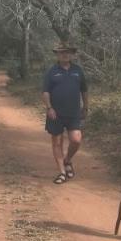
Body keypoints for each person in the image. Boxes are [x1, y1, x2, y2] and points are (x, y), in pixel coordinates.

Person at [41, 43, 87, 184]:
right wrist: (49, 108)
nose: (64, 55)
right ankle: (61, 172)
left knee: (76, 139)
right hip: (56, 113)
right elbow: (45, 91)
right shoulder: (52, 71)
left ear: (72, 54)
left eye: (67, 52)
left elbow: (84, 90)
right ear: (57, 55)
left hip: (73, 112)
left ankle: (67, 160)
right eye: (61, 53)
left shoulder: (77, 71)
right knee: (57, 142)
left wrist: (86, 106)